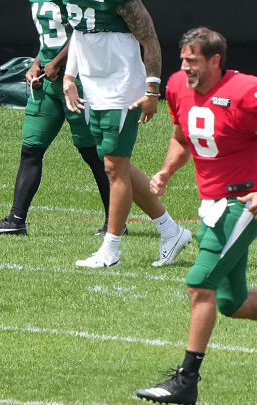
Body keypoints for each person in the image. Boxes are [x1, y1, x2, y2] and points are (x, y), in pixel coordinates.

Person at [135, 27, 257, 404]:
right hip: (211, 205)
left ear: (215, 60)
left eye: (192, 61)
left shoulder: (244, 93)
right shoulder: (179, 86)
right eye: (183, 60)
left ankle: (186, 381)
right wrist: (165, 172)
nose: (185, 67)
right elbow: (182, 138)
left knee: (199, 284)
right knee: (232, 302)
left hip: (243, 204)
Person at [62, 0, 192, 268]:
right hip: (93, 86)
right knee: (115, 163)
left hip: (121, 87)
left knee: (114, 166)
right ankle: (171, 231)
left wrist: (153, 90)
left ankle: (111, 250)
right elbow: (79, 30)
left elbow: (150, 39)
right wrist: (69, 77)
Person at [0, 0, 111, 237]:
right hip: (48, 82)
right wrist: (36, 64)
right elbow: (51, 38)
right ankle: (16, 220)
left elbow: (82, 31)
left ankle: (115, 221)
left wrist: (57, 63)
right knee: (31, 148)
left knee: (93, 152)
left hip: (76, 79)